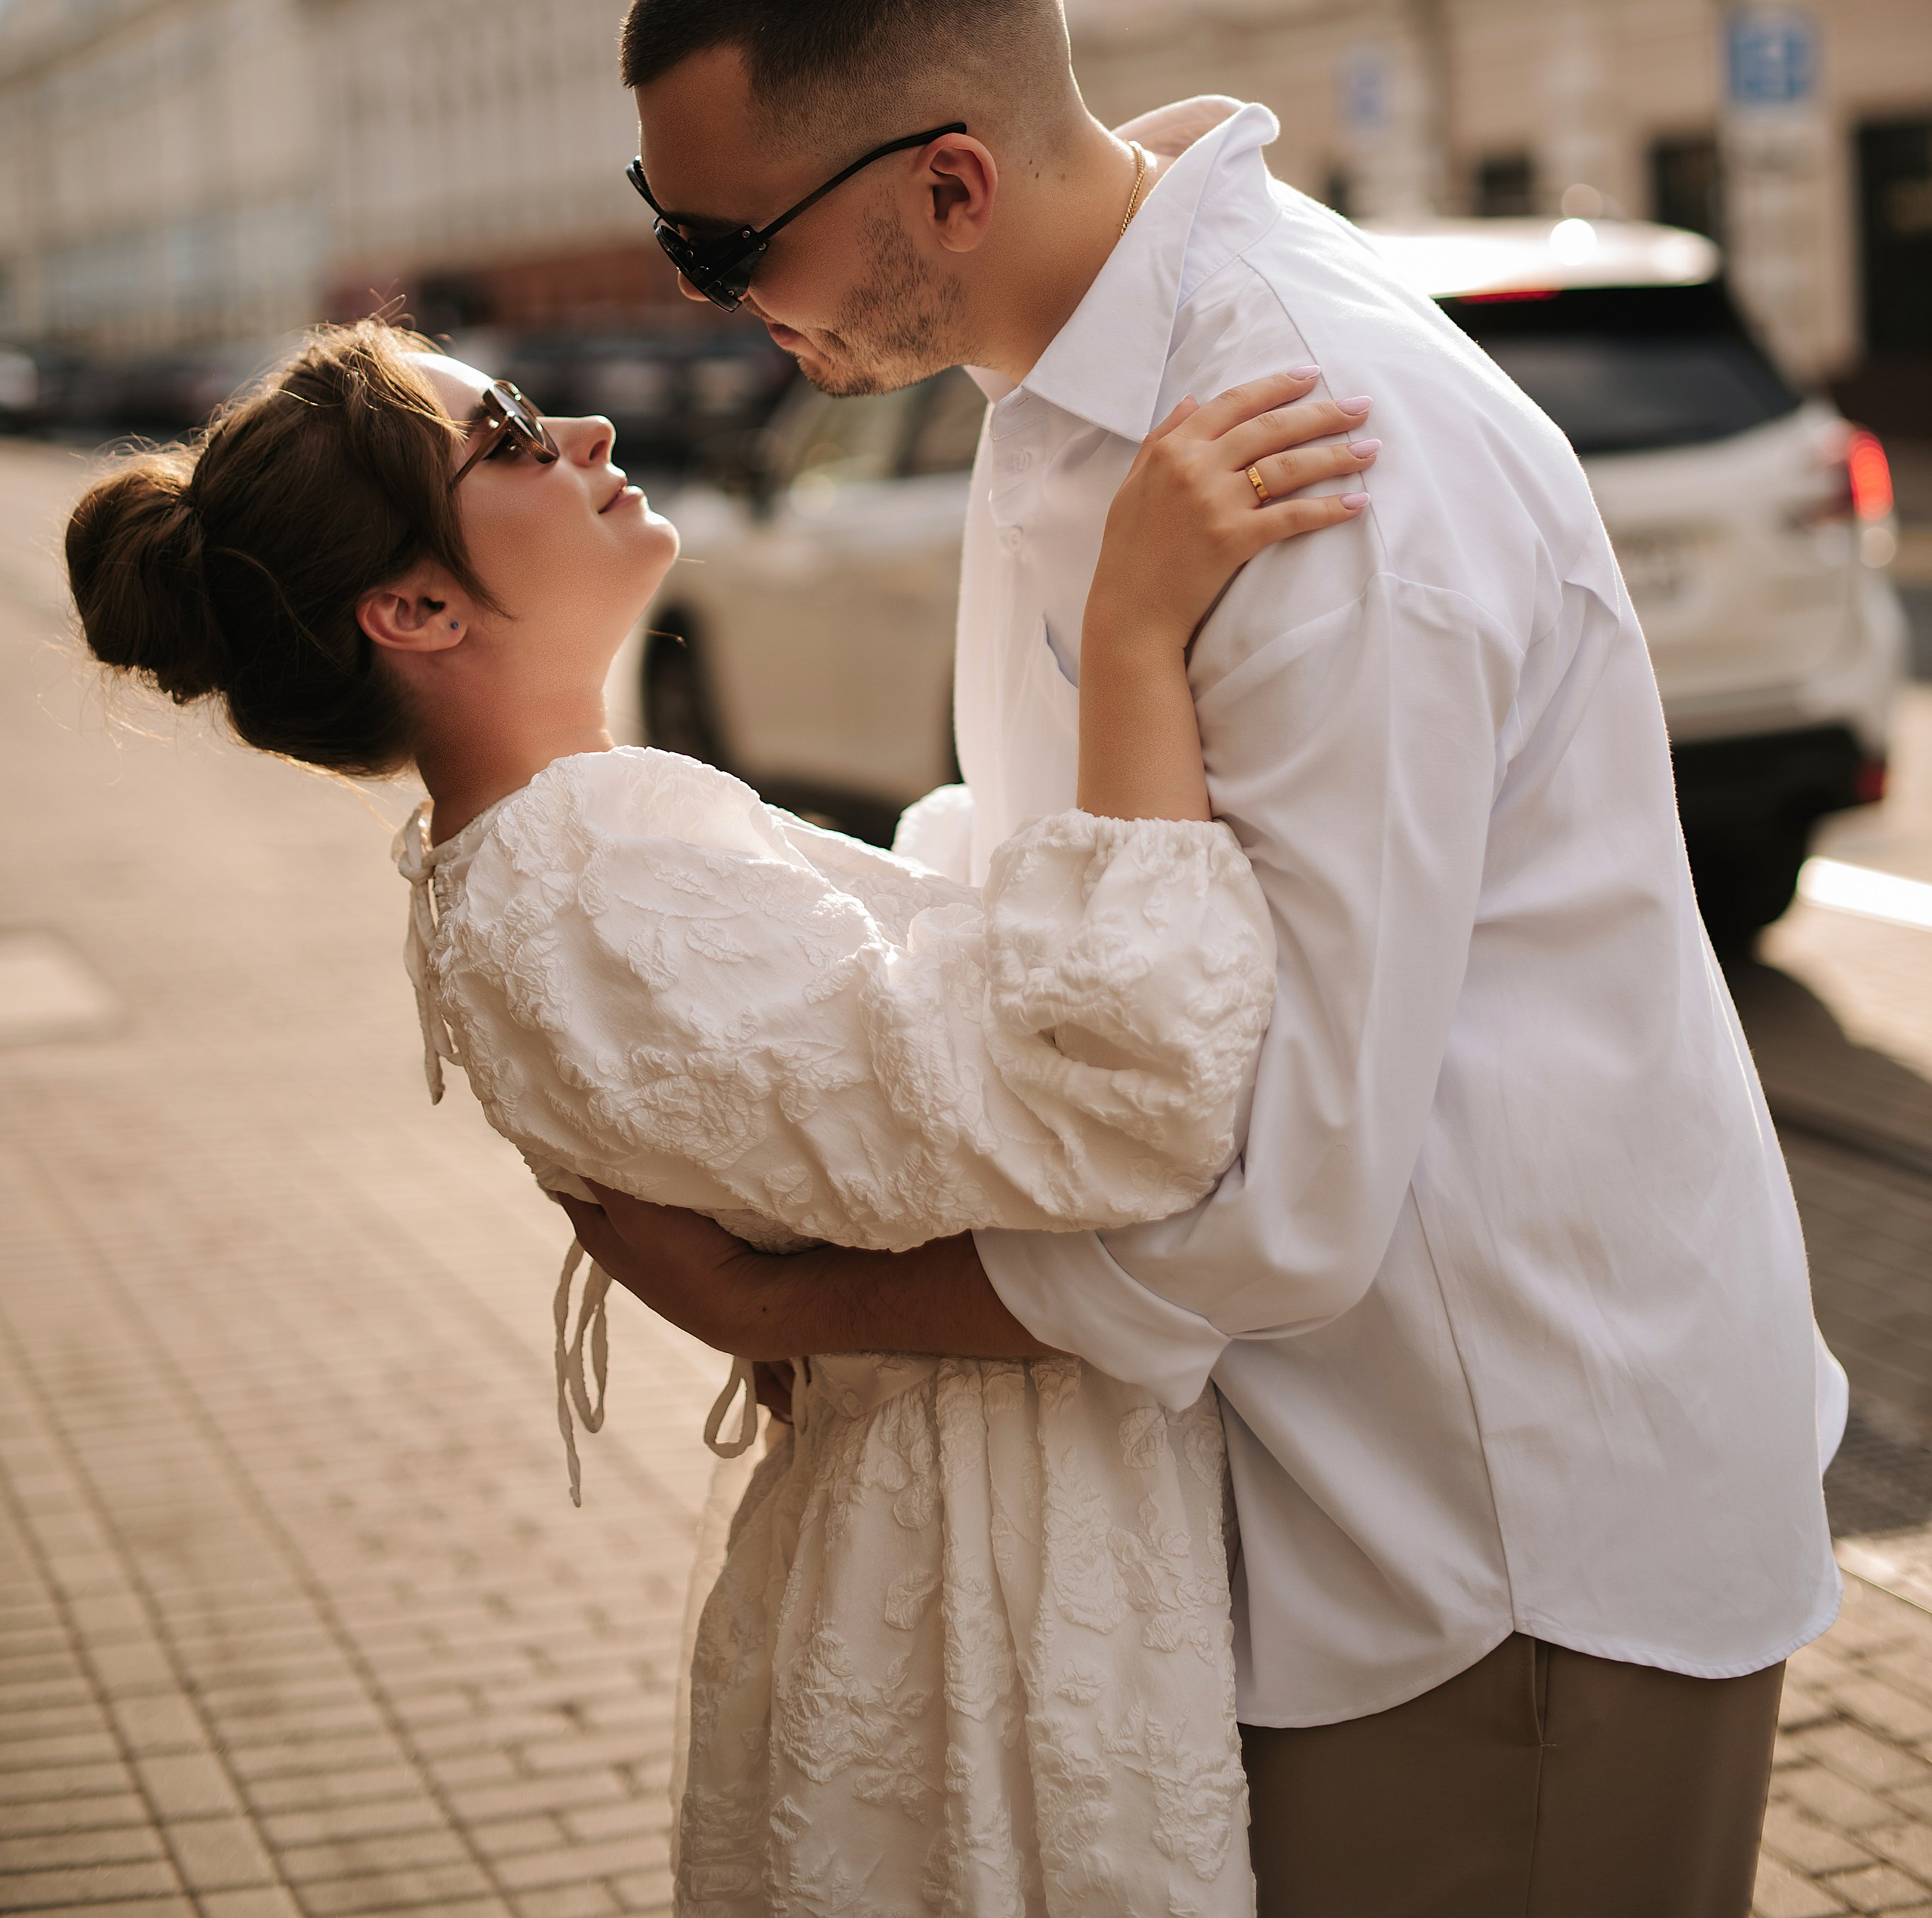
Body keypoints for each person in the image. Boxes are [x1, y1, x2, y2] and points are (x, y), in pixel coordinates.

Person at [583, 0, 1847, 1918]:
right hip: (1332, 1499)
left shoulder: (1313, 464)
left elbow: (1283, 1198)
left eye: (723, 250)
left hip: (1498, 1531)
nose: (705, 298)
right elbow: (1071, 916)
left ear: (950, 187)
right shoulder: (1062, 388)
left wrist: (787, 1295)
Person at [64, 316, 1372, 1918]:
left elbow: (912, 1082)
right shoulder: (588, 878)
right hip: (987, 1577)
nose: (593, 434)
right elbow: (1127, 1105)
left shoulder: (549, 853)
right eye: (518, 435)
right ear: (413, 606)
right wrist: (1131, 628)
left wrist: (775, 1299)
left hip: (959, 1532)